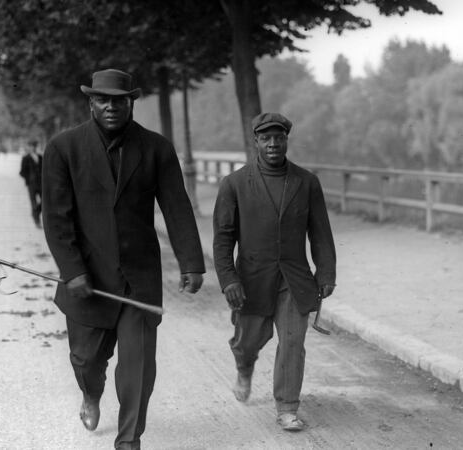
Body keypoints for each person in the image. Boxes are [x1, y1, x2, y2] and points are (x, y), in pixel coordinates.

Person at [41, 68, 205, 450]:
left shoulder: (157, 148)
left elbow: (177, 207)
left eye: (120, 100)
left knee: (139, 364)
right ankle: (91, 394)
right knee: (86, 360)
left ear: (131, 101)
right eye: (104, 99)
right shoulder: (63, 149)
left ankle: (129, 440)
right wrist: (73, 270)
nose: (112, 107)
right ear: (91, 102)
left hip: (139, 278)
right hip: (88, 280)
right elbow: (56, 219)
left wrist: (191, 262)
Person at [212, 112, 337, 432]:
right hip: (250, 281)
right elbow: (223, 239)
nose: (272, 144)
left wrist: (325, 273)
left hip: (294, 278)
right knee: (248, 342)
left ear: (286, 141)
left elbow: (320, 232)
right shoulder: (234, 184)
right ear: (255, 141)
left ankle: (287, 406)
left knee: (293, 341)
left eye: (278, 138)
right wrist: (228, 279)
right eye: (265, 138)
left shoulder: (306, 182)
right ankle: (244, 367)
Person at [19, 139, 42, 227]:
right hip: (31, 184)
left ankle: (35, 213)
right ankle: (37, 221)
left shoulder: (40, 157)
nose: (32, 148)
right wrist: (28, 179)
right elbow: (21, 172)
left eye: (34, 146)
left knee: (44, 202)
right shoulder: (25, 158)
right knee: (34, 202)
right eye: (31, 146)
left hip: (41, 184)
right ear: (29, 147)